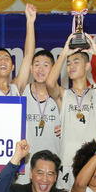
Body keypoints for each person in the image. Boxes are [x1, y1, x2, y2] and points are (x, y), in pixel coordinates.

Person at [46, 33, 96, 191]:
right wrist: (64, 52)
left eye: (76, 62)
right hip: (68, 161)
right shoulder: (64, 94)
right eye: (68, 63)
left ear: (87, 66)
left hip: (93, 161)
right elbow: (50, 83)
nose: (71, 66)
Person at [23, 50, 62, 179]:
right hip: (26, 166)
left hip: (54, 167)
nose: (40, 69)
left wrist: (68, 128)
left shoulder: (62, 95)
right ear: (31, 68)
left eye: (46, 65)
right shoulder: (21, 93)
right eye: (37, 64)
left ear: (54, 69)